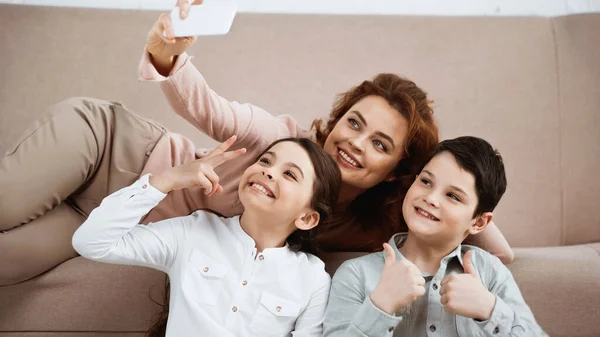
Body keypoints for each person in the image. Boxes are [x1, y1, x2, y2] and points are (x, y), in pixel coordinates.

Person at [0, 1, 512, 287]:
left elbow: (496, 250)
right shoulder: (281, 142)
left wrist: (446, 180)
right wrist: (169, 56)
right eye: (353, 123)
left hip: (114, 218)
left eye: (380, 143)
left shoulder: (370, 223)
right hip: (107, 152)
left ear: (400, 170)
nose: (354, 143)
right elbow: (208, 108)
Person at [72, 136, 341, 336]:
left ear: (307, 218)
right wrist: (168, 180)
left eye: (290, 174)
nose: (268, 171)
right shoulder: (193, 232)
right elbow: (91, 242)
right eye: (266, 161)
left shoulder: (313, 278)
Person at [323, 136, 547, 337]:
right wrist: (380, 307)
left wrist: (489, 310)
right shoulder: (356, 274)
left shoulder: (489, 272)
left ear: (478, 222)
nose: (431, 198)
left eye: (453, 196)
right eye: (426, 181)